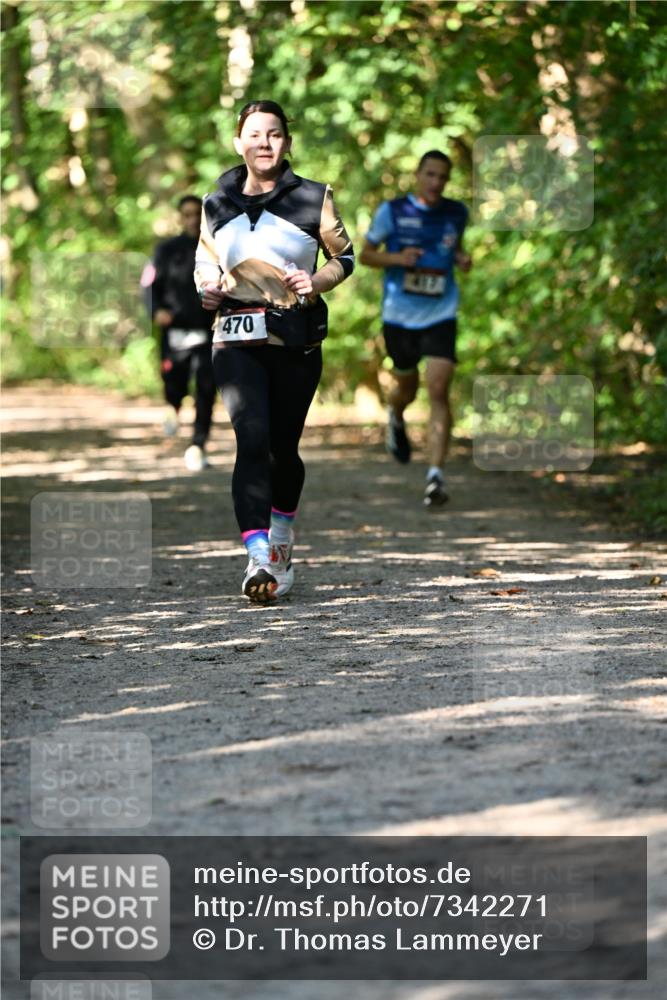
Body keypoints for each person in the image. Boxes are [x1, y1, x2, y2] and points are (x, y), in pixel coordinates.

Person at [194, 100, 354, 603]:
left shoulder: (313, 197)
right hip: (235, 337)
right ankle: (258, 554)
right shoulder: (215, 201)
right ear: (238, 142)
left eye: (275, 135)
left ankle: (282, 537)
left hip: (294, 335)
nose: (265, 143)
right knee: (251, 439)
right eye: (255, 134)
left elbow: (345, 257)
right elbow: (205, 259)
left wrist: (315, 280)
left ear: (287, 142)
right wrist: (207, 287)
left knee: (283, 449)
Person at [359, 151, 472, 506]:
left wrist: (461, 259)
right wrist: (397, 258)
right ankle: (396, 413)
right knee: (406, 387)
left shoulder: (457, 212)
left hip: (441, 312)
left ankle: (435, 476)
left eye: (443, 177)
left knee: (438, 388)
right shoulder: (392, 211)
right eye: (431, 175)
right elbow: (365, 255)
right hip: (399, 316)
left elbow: (452, 248)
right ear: (418, 175)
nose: (437, 183)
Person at [141, 195, 216, 472]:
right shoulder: (165, 250)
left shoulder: (216, 248)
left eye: (198, 214)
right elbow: (147, 287)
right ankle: (172, 406)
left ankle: (198, 444)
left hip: (208, 332)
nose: (193, 219)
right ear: (180, 217)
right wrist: (155, 310)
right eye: (187, 214)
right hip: (174, 333)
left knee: (206, 389)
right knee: (174, 383)